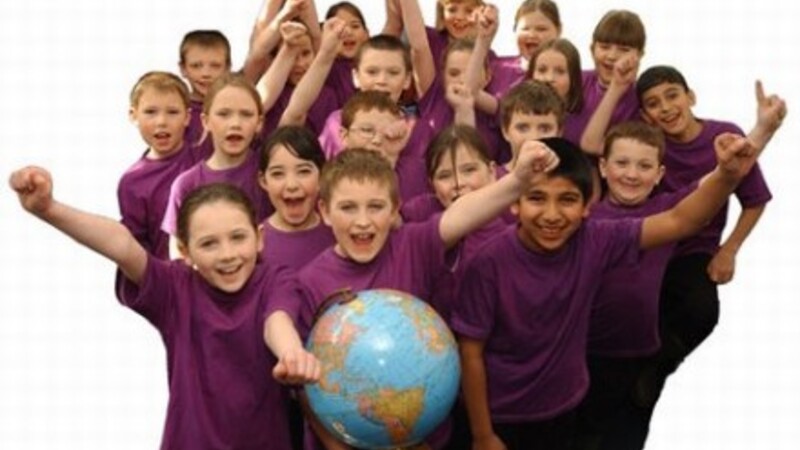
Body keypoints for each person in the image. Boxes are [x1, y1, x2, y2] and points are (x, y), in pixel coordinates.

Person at [452, 131, 768, 450]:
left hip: (563, 409)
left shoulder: (595, 239)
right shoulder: (488, 263)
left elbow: (680, 221)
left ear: (587, 206)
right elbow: (470, 352)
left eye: (567, 199)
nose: (551, 214)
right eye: (536, 198)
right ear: (514, 204)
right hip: (498, 415)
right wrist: (482, 434)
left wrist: (727, 175)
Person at [271, 141, 560, 449]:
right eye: (348, 207)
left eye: (376, 206)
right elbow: (306, 387)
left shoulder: (414, 246)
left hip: (426, 435)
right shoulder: (309, 283)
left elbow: (462, 214)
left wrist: (518, 180)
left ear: (395, 209)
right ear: (325, 211)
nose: (363, 221)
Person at [10, 171, 320, 449]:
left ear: (259, 238)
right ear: (185, 251)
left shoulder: (277, 280)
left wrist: (290, 352)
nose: (227, 254)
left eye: (238, 237)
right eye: (209, 244)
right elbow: (123, 246)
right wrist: (48, 208)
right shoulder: (175, 289)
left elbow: (277, 320)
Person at [632, 66, 786, 433]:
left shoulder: (723, 136)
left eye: (672, 95)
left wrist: (729, 250)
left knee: (701, 310)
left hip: (694, 250)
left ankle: (657, 366)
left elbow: (755, 200)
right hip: (653, 243)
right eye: (653, 103)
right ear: (645, 115)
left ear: (691, 96)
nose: (666, 107)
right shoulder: (648, 145)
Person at [161, 73, 272, 258]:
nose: (235, 123)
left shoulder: (270, 171)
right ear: (205, 121)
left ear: (259, 122)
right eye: (224, 114)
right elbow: (178, 255)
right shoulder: (186, 184)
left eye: (246, 114)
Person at [117, 71, 210, 260]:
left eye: (172, 112)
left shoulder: (206, 154)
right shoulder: (132, 182)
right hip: (170, 274)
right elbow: (134, 252)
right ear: (133, 115)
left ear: (187, 117)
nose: (162, 122)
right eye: (151, 112)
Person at [258, 125, 333, 271]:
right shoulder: (255, 243)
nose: (291, 185)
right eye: (278, 174)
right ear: (263, 181)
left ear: (322, 175)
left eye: (303, 171)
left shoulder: (338, 234)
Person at [576, 9, 646, 155]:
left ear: (639, 55)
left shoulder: (641, 99)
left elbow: (592, 146)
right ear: (592, 49)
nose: (612, 56)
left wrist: (616, 87)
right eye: (604, 47)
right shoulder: (576, 80)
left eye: (624, 50)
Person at [487, 0, 562, 99]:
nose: (532, 34)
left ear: (559, 30)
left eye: (541, 29)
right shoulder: (494, 68)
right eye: (525, 29)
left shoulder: (571, 76)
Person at [177, 30, 233, 145]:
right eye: (196, 66)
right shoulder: (176, 110)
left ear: (228, 68)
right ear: (183, 68)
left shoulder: (237, 106)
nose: (206, 74)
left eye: (215, 66)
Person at [526, 37, 585, 145]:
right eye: (542, 70)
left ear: (573, 78)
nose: (549, 78)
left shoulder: (583, 121)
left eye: (560, 71)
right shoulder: (517, 112)